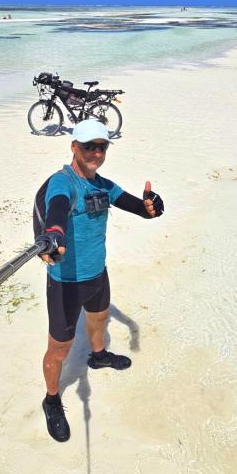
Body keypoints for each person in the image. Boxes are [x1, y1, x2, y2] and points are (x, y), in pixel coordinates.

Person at [35, 119, 164, 442]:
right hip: (65, 282)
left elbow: (139, 208)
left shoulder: (104, 185)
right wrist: (53, 233)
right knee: (59, 348)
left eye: (101, 147)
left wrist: (152, 206)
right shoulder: (63, 183)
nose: (95, 153)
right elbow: (57, 208)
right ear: (73, 147)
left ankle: (98, 355)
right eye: (88, 146)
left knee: (99, 317)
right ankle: (51, 400)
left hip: (97, 274)